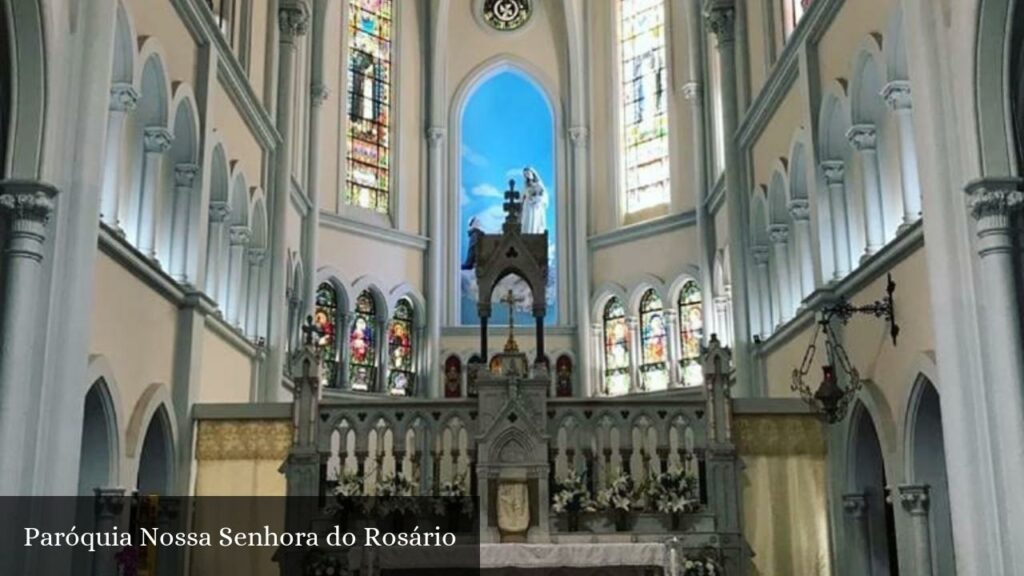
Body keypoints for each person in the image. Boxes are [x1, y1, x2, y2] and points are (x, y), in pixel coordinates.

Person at [521, 167, 548, 234]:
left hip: (536, 208)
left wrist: (535, 199)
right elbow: (522, 197)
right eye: (525, 174)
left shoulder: (539, 185)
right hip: (527, 208)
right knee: (527, 223)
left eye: (528, 173)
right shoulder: (525, 186)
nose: (526, 175)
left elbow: (543, 198)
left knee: (535, 224)